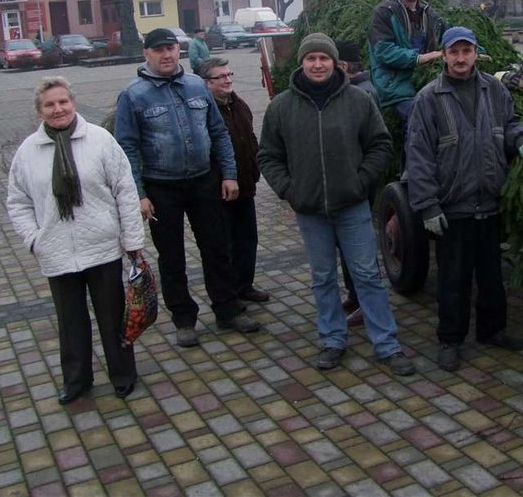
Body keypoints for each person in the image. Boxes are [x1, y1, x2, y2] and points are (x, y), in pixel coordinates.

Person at [258, 32, 415, 376]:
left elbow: (380, 145)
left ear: (335, 63)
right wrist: (289, 190)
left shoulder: (358, 100)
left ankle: (387, 344)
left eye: (323, 58)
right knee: (323, 277)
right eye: (311, 59)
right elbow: (268, 156)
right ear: (302, 63)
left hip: (352, 207)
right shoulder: (282, 107)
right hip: (310, 209)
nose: (317, 64)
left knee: (367, 275)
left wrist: (360, 182)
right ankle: (332, 339)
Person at [405, 27, 523, 372]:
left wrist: (521, 139)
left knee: (492, 275)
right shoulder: (428, 99)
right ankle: (450, 339)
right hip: (454, 207)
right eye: (455, 52)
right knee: (454, 279)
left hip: (490, 200)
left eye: (467, 51)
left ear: (475, 53)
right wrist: (428, 206)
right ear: (445, 55)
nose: (461, 58)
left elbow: (510, 123)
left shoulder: (493, 89)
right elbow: (418, 156)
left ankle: (492, 331)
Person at [114, 28, 259, 349]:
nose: (167, 55)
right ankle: (184, 318)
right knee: (172, 256)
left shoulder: (196, 85)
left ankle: (227, 309)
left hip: (204, 181)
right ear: (146, 54)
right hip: (161, 186)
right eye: (159, 50)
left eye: (172, 48)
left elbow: (218, 133)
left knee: (217, 247)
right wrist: (139, 194)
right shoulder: (133, 96)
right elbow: (126, 148)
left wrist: (229, 175)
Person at [7, 77, 144, 404]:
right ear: (40, 111)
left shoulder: (100, 140)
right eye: (50, 105)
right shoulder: (28, 151)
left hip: (102, 246)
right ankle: (77, 380)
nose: (58, 109)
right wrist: (34, 240)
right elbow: (17, 201)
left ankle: (123, 374)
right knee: (70, 324)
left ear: (74, 103)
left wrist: (133, 240)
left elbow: (125, 191)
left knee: (113, 317)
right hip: (56, 251)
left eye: (63, 102)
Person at [197, 57, 269, 304]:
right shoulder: (203, 110)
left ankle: (244, 285)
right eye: (221, 77)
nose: (228, 80)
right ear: (206, 83)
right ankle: (228, 294)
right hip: (219, 190)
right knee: (224, 244)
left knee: (247, 239)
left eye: (229, 75)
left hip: (246, 185)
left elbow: (249, 138)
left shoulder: (239, 104)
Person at [368, 0, 446, 130]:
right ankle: (412, 155)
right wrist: (418, 58)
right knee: (417, 117)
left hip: (424, 79)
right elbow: (383, 51)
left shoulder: (429, 14)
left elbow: (450, 35)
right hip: (394, 83)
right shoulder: (384, 13)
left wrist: (473, 50)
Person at [335, 40, 379, 328]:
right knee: (345, 242)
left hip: (358, 180)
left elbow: (370, 142)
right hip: (349, 179)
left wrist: (359, 177)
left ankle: (366, 303)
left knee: (358, 245)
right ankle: (354, 293)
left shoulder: (362, 94)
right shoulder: (355, 89)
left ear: (344, 66)